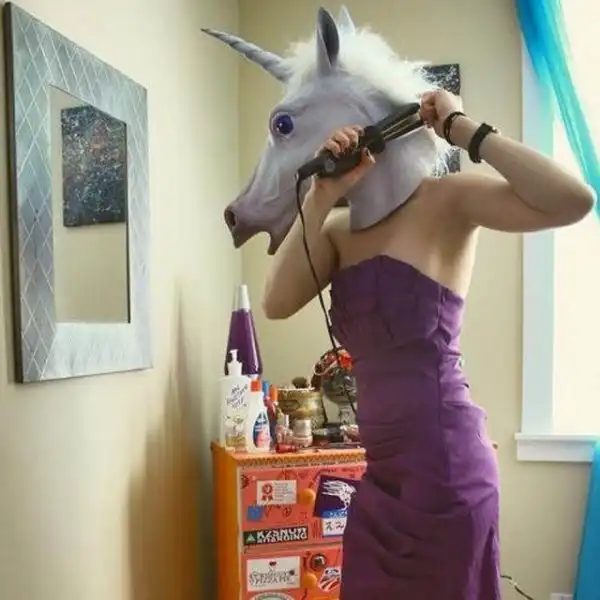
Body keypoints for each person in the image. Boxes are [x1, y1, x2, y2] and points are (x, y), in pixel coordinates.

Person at [261, 89, 595, 599]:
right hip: (381, 481)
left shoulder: (449, 199)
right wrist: (321, 195)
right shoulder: (337, 233)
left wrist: (462, 127)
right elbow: (276, 302)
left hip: (448, 472)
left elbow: (573, 200)